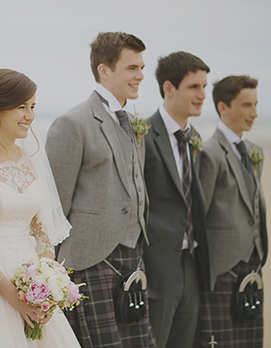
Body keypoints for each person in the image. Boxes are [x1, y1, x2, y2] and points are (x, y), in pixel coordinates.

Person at [46, 32, 157, 347]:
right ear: (104, 71)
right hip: (89, 260)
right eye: (132, 68)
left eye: (141, 68)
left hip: (133, 256)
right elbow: (56, 206)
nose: (140, 76)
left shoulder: (131, 122)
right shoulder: (73, 123)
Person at [0, 68, 80, 347]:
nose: (30, 116)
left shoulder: (29, 158)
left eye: (33, 107)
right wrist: (12, 294)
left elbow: (40, 229)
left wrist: (47, 283)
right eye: (22, 107)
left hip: (31, 275)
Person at [141, 52, 212, 348]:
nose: (202, 95)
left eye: (204, 87)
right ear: (169, 88)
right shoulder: (144, 135)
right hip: (157, 265)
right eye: (194, 87)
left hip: (192, 262)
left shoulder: (193, 137)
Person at [197, 75, 267, 348]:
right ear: (223, 107)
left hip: (253, 266)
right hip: (222, 269)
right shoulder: (209, 152)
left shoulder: (254, 151)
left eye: (256, 105)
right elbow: (199, 216)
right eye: (247, 105)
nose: (254, 113)